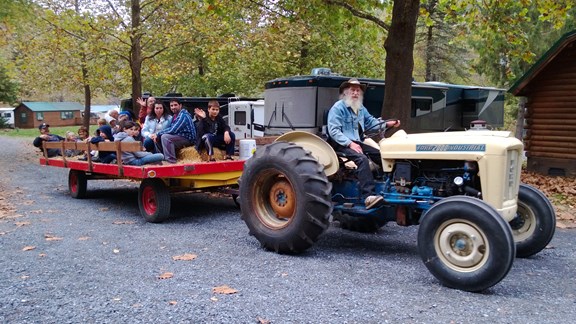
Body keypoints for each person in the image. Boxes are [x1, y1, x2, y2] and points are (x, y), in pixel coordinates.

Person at [327, 78, 400, 209]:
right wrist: (350, 144)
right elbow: (334, 131)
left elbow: (371, 122)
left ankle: (390, 185)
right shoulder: (338, 108)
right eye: (352, 90)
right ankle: (369, 196)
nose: (355, 93)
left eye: (357, 91)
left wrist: (388, 124)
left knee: (380, 155)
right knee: (362, 159)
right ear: (345, 92)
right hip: (340, 142)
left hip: (356, 141)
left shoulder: (360, 108)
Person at [150, 98, 196, 164]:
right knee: (158, 137)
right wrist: (157, 135)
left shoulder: (183, 115)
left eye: (175, 105)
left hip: (188, 139)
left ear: (180, 105)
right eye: (171, 106)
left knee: (165, 137)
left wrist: (158, 134)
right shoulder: (175, 116)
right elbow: (170, 129)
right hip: (179, 137)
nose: (173, 107)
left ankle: (171, 161)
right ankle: (161, 159)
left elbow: (173, 130)